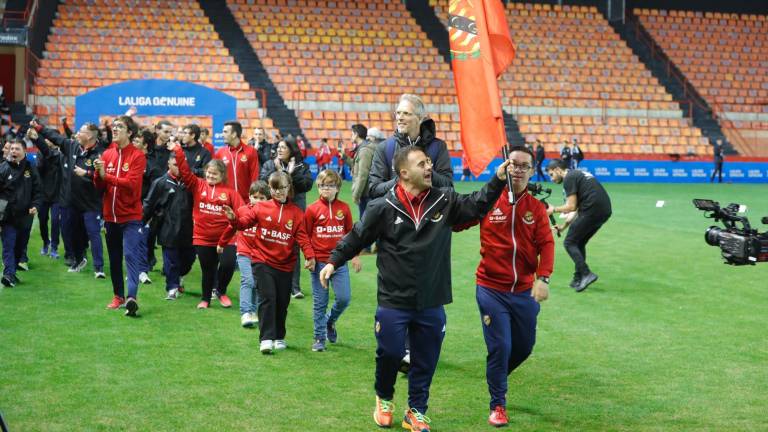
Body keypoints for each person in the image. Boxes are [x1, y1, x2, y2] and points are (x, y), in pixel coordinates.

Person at [319, 146, 510, 431]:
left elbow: (477, 205)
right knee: (391, 354)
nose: (430, 166)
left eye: (430, 161)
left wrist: (497, 179)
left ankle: (416, 411)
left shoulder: (444, 200)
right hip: (393, 300)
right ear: (404, 172)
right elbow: (358, 235)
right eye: (423, 163)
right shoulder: (382, 206)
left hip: (432, 300)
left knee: (425, 360)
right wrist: (333, 261)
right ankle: (384, 397)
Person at [455, 146, 554, 427]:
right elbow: (459, 222)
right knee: (501, 346)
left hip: (524, 291)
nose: (519, 170)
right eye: (514, 164)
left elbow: (546, 244)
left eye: (525, 166)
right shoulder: (489, 201)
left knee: (523, 347)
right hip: (490, 288)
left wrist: (543, 278)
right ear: (505, 168)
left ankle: (495, 375)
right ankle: (498, 403)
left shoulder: (536, 208)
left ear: (533, 171)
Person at [223, 171, 316, 354]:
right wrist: (233, 219)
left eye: (282, 188)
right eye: (274, 188)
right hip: (262, 260)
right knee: (268, 298)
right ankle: (265, 339)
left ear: (289, 188)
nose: (278, 192)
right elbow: (243, 224)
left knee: (282, 302)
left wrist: (310, 256)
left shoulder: (297, 213)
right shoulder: (260, 208)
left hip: (285, 265)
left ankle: (279, 337)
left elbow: (302, 237)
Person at [168, 139, 243, 309]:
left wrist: (237, 217)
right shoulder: (197, 184)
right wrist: (178, 151)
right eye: (208, 173)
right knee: (207, 269)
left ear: (222, 175)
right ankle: (205, 299)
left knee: (228, 265)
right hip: (202, 237)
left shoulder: (230, 193)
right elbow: (185, 171)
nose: (210, 176)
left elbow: (243, 211)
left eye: (215, 174)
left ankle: (221, 291)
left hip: (226, 239)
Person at [31, 120, 104, 276]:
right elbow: (55, 139)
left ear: (90, 136)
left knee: (93, 233)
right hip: (72, 201)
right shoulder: (72, 147)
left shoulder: (100, 153)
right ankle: (78, 258)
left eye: (81, 131)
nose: (77, 133)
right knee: (71, 232)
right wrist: (39, 128)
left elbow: (103, 178)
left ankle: (99, 268)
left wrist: (87, 174)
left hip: (91, 202)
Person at [93, 115, 146, 316]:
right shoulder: (106, 154)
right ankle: (118, 296)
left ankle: (131, 297)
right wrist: (98, 174)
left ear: (129, 132)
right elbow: (99, 187)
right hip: (110, 217)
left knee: (130, 254)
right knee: (114, 258)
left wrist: (108, 176)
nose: (114, 130)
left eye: (120, 127)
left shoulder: (137, 156)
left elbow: (132, 184)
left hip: (131, 216)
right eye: (114, 127)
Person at [305, 169, 361, 352]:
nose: (326, 189)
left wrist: (355, 255)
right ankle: (319, 338)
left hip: (339, 263)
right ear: (318, 187)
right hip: (319, 263)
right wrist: (309, 257)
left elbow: (350, 235)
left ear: (337, 187)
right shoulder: (312, 209)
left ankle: (330, 321)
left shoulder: (344, 208)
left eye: (330, 186)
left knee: (344, 298)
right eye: (322, 186)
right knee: (320, 302)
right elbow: (305, 236)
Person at [368, 93, 453, 199]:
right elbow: (374, 190)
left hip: (427, 213)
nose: (400, 118)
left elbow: (448, 187)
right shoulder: (385, 148)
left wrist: (427, 172)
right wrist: (401, 179)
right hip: (396, 214)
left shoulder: (438, 147)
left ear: (420, 118)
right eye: (398, 113)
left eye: (406, 113)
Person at [260, 135, 314, 299]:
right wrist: (280, 172)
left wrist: (290, 174)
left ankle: (294, 287)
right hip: (273, 213)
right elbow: (262, 182)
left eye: (283, 147)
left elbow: (307, 185)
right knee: (273, 245)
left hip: (294, 212)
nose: (279, 150)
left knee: (294, 248)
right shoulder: (270, 164)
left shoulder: (301, 166)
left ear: (292, 150)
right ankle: (271, 282)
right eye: (278, 148)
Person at [546, 159, 612, 292]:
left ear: (558, 170)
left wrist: (553, 209)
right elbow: (575, 209)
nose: (551, 179)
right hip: (604, 210)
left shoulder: (569, 178)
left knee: (569, 242)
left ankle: (586, 274)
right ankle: (578, 277)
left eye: (552, 174)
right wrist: (564, 226)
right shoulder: (576, 174)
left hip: (592, 209)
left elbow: (571, 206)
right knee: (578, 242)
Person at [142, 152, 195, 300]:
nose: (179, 168)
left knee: (189, 259)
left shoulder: (191, 183)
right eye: (175, 165)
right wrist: (141, 222)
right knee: (171, 261)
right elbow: (149, 204)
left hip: (188, 228)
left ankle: (179, 277)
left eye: (181, 165)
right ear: (169, 164)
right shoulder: (160, 183)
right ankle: (172, 288)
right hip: (167, 228)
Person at [0, 139, 42, 287]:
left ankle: (12, 271)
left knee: (20, 247)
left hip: (25, 216)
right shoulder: (3, 168)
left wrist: (35, 205)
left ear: (25, 151)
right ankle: (8, 274)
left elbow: (38, 190)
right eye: (12, 149)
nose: (13, 152)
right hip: (8, 217)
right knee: (8, 246)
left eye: (17, 149)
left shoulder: (31, 168)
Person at [237, 180, 270, 328]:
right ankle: (245, 312)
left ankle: (255, 311)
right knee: (248, 280)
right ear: (249, 197)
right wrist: (223, 244)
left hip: (261, 255)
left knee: (258, 282)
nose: (258, 201)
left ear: (267, 199)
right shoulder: (242, 211)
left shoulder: (270, 214)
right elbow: (233, 227)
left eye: (262, 198)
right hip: (244, 252)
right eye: (255, 197)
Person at [215, 121, 260, 202]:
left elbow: (254, 176)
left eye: (225, 132)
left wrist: (253, 197)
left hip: (246, 201)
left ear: (234, 134)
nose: (222, 135)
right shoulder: (220, 153)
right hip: (226, 200)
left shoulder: (251, 151)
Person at [351, 126, 377, 220]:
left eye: (352, 134)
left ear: (356, 134)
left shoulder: (365, 150)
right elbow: (358, 167)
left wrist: (356, 195)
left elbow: (363, 175)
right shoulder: (364, 148)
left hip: (366, 194)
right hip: (367, 193)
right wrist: (345, 157)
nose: (351, 136)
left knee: (364, 225)